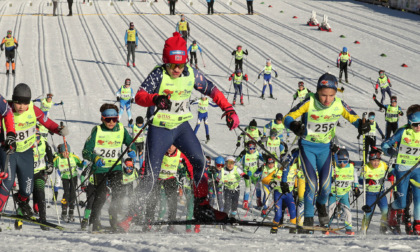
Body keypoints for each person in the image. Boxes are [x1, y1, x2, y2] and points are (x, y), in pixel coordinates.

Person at [119, 32, 239, 230]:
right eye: (172, 65)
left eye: (180, 65)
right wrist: (155, 99)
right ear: (165, 62)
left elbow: (212, 90)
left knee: (200, 160)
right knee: (151, 174)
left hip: (182, 127)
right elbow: (140, 96)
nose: (176, 69)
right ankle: (132, 213)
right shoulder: (159, 73)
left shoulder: (191, 73)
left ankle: (202, 207)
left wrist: (229, 109)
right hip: (160, 128)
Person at [283, 73, 370, 230]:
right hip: (307, 147)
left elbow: (354, 119)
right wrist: (295, 126)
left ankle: (321, 203)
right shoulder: (309, 101)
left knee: (325, 187)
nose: (327, 99)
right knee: (311, 184)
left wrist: (362, 126)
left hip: (325, 148)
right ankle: (308, 220)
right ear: (317, 92)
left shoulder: (339, 104)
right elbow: (288, 117)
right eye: (323, 95)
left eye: (331, 95)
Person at [0, 84, 67, 221]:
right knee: (7, 181)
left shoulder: (33, 110)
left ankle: (20, 199)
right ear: (14, 100)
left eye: (25, 103)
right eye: (18, 102)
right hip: (9, 152)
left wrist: (58, 130)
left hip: (26, 152)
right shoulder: (6, 111)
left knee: (27, 189)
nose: (21, 106)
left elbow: (46, 122)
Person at [82, 103, 137, 231]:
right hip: (100, 168)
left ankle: (113, 221)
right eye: (108, 119)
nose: (111, 122)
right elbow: (85, 151)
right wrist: (95, 158)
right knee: (101, 195)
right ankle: (94, 223)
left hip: (115, 167)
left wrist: (132, 150)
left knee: (118, 193)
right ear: (102, 119)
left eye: (114, 119)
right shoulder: (97, 130)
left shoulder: (121, 129)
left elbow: (131, 143)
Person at [383, 104, 420, 235]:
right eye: (415, 124)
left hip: (417, 170)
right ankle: (392, 210)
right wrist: (390, 150)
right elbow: (385, 144)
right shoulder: (403, 131)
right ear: (410, 122)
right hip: (402, 169)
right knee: (402, 203)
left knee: (418, 199)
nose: (418, 127)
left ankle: (417, 224)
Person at [144, 145, 191, 232]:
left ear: (176, 147)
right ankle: (148, 222)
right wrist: (144, 173)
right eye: (168, 146)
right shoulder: (160, 150)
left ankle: (171, 224)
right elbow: (148, 161)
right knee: (152, 200)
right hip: (157, 178)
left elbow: (189, 163)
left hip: (170, 179)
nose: (169, 148)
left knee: (172, 202)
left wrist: (191, 175)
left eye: (172, 146)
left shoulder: (180, 153)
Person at [262, 156, 297, 234]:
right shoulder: (277, 171)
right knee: (278, 215)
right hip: (278, 194)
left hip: (289, 194)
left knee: (293, 211)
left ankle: (292, 229)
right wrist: (271, 182)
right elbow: (265, 179)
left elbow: (300, 176)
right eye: (284, 163)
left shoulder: (294, 169)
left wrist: (297, 187)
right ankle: (274, 229)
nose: (286, 165)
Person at [328, 148, 359, 235]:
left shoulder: (351, 168)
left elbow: (355, 177)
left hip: (344, 194)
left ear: (348, 160)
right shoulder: (333, 167)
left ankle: (348, 228)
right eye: (340, 161)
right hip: (333, 193)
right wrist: (331, 179)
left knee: (348, 212)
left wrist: (356, 188)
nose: (342, 164)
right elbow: (326, 178)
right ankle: (326, 226)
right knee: (330, 210)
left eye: (345, 161)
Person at [360, 149, 390, 234]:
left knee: (385, 210)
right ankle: (363, 229)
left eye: (377, 161)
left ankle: (383, 227)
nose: (376, 163)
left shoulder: (383, 165)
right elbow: (360, 180)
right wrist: (367, 180)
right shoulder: (366, 167)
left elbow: (391, 171)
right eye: (373, 161)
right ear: (370, 160)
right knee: (368, 212)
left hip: (381, 193)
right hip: (370, 194)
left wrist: (391, 174)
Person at [54, 143, 84, 222]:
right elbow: (52, 163)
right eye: (63, 152)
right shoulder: (58, 158)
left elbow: (80, 165)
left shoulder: (73, 157)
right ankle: (64, 211)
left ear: (69, 152)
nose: (65, 154)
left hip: (73, 176)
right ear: (61, 152)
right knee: (66, 193)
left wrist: (82, 164)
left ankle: (71, 211)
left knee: (73, 193)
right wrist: (49, 165)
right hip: (65, 177)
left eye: (66, 152)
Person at [32, 128, 55, 230]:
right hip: (26, 173)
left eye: (37, 137)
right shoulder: (26, 144)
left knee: (41, 193)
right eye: (33, 137)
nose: (36, 139)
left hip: (39, 172)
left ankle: (43, 219)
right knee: (26, 193)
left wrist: (50, 165)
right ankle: (21, 214)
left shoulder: (44, 143)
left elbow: (50, 156)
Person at [236, 141, 264, 209]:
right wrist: (243, 171)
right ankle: (245, 203)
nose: (252, 150)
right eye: (250, 148)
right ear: (247, 148)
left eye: (253, 148)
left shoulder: (257, 153)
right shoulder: (244, 154)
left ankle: (258, 201)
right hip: (247, 173)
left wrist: (261, 168)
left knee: (258, 187)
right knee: (248, 188)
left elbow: (264, 161)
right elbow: (236, 163)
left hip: (255, 173)